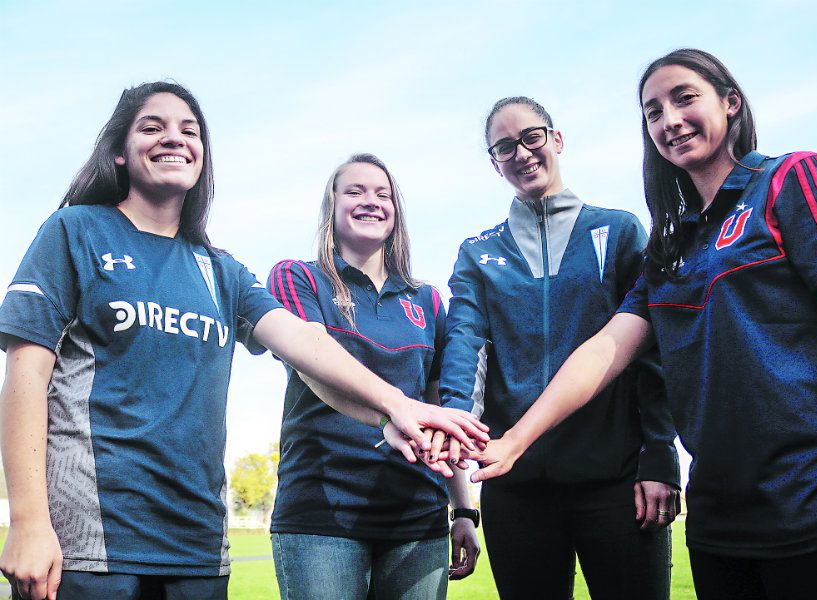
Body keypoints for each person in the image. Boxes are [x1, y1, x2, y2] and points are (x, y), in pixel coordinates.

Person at [0, 82, 486, 600]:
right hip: (93, 546)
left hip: (199, 549)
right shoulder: (75, 232)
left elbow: (304, 344)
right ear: (119, 150)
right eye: (152, 127)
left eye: (190, 131)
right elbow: (26, 376)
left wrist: (395, 409)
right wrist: (27, 520)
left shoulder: (221, 270)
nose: (174, 139)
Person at [470, 49, 817, 600]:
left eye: (684, 97)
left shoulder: (793, 178)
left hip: (816, 504)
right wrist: (514, 442)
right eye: (652, 112)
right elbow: (606, 351)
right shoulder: (671, 248)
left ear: (731, 102)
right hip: (719, 525)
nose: (668, 119)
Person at [439, 96, 681, 599]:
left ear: (556, 140)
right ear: (494, 162)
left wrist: (659, 455)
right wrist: (456, 421)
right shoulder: (478, 253)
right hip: (515, 484)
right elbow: (466, 342)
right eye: (505, 147)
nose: (522, 153)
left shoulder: (618, 230)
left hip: (618, 483)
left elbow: (650, 350)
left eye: (532, 137)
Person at [266, 153, 480, 600]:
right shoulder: (297, 277)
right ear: (333, 205)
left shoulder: (427, 300)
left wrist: (463, 509)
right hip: (323, 516)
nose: (371, 201)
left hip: (417, 518)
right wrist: (390, 413)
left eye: (383, 193)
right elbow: (311, 363)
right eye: (356, 191)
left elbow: (439, 407)